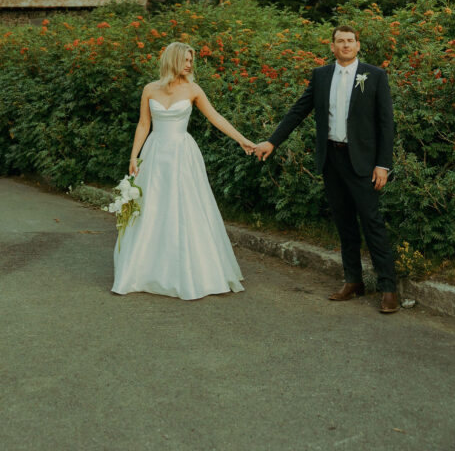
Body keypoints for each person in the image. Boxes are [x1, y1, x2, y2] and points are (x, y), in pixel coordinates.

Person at [254, 25, 399, 313]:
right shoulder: (321, 76)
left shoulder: (375, 76)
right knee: (344, 223)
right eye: (340, 41)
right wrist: (272, 142)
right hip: (331, 160)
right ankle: (353, 281)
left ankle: (388, 288)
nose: (345, 45)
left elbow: (386, 123)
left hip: (364, 163)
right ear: (332, 47)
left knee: (372, 223)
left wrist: (383, 164)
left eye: (350, 41)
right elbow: (298, 110)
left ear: (358, 45)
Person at [112, 41, 256, 300]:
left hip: (182, 153)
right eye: (186, 59)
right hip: (155, 153)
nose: (190, 64)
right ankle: (144, 270)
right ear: (173, 60)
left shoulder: (193, 89)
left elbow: (216, 117)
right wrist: (134, 156)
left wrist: (242, 139)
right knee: (152, 208)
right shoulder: (149, 89)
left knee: (185, 207)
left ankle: (192, 271)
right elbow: (144, 124)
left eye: (191, 60)